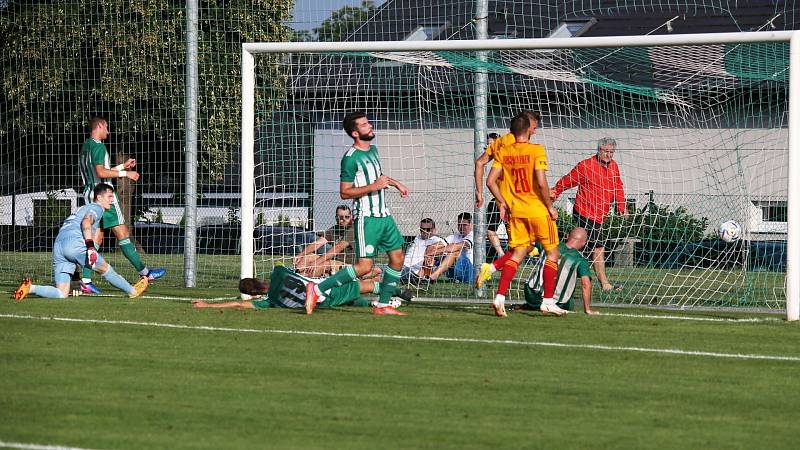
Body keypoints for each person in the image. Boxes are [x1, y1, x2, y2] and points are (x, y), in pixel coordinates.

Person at [305, 111, 410, 316]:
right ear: (355, 133)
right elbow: (344, 192)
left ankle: (383, 305)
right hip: (367, 218)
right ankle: (316, 289)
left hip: (384, 216)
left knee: (397, 258)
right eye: (364, 125)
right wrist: (374, 186)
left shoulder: (373, 150)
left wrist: (395, 183)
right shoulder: (350, 159)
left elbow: (377, 177)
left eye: (368, 122)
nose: (369, 126)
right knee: (364, 267)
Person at [476, 113, 566, 317]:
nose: (535, 130)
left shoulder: (504, 150)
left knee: (518, 253)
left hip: (516, 212)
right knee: (553, 254)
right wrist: (550, 206)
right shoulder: (536, 150)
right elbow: (541, 182)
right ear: (527, 129)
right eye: (533, 127)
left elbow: (490, 181)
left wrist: (503, 202)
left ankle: (499, 298)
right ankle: (548, 301)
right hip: (537, 210)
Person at [12, 183, 150, 301]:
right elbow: (86, 222)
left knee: (61, 293)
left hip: (59, 245)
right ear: (99, 197)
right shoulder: (97, 208)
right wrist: (90, 247)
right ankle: (133, 291)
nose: (112, 200)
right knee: (106, 270)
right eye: (109, 196)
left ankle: (30, 288)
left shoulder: (82, 208)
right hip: (74, 244)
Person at [77, 116, 165, 294]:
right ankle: (146, 273)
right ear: (99, 126)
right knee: (123, 235)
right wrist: (126, 173)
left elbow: (98, 170)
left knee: (96, 239)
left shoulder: (87, 146)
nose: (108, 131)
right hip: (105, 195)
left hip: (90, 194)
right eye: (107, 127)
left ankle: (85, 280)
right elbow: (101, 172)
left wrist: (121, 166)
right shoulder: (99, 146)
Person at [551, 137, 626, 292]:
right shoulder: (586, 166)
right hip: (584, 212)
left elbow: (618, 186)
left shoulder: (614, 167)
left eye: (612, 152)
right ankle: (605, 284)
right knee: (598, 248)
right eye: (606, 151)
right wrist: (553, 195)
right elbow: (567, 181)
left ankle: (553, 270)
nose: (609, 155)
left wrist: (621, 206)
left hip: (599, 215)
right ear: (599, 150)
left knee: (579, 249)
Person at [192, 265, 413, 311]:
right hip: (323, 288)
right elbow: (298, 273)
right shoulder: (278, 272)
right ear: (257, 279)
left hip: (323, 299)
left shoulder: (270, 302)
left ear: (253, 294)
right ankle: (393, 293)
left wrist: (207, 305)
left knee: (357, 292)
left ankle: (386, 299)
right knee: (366, 286)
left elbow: (239, 305)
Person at [522, 227, 599, 315]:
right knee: (569, 302)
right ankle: (547, 305)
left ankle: (532, 306)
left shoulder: (549, 245)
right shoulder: (580, 260)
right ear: (584, 243)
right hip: (558, 302)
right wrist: (587, 309)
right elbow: (586, 284)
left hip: (532, 295)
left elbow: (529, 243)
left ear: (567, 236)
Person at [293, 205, 381, 279]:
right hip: (337, 262)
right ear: (336, 218)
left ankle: (301, 279)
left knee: (322, 264)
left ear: (351, 217)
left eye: (347, 217)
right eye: (340, 217)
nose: (343, 220)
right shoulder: (335, 229)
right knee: (307, 257)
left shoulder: (354, 228)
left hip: (351, 265)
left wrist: (316, 262)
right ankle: (294, 274)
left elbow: (338, 248)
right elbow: (317, 243)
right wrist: (301, 254)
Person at [428, 212, 475, 283]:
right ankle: (424, 276)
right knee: (433, 252)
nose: (461, 227)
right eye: (459, 224)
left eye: (464, 225)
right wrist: (430, 253)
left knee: (455, 251)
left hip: (469, 272)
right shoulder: (455, 236)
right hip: (454, 270)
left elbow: (456, 247)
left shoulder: (473, 236)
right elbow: (433, 246)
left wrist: (434, 252)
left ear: (471, 225)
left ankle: (434, 276)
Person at [399, 218, 447, 283]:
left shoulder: (437, 240)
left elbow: (444, 250)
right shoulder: (418, 238)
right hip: (402, 266)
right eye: (422, 230)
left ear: (434, 230)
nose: (424, 232)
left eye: (428, 229)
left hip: (413, 270)